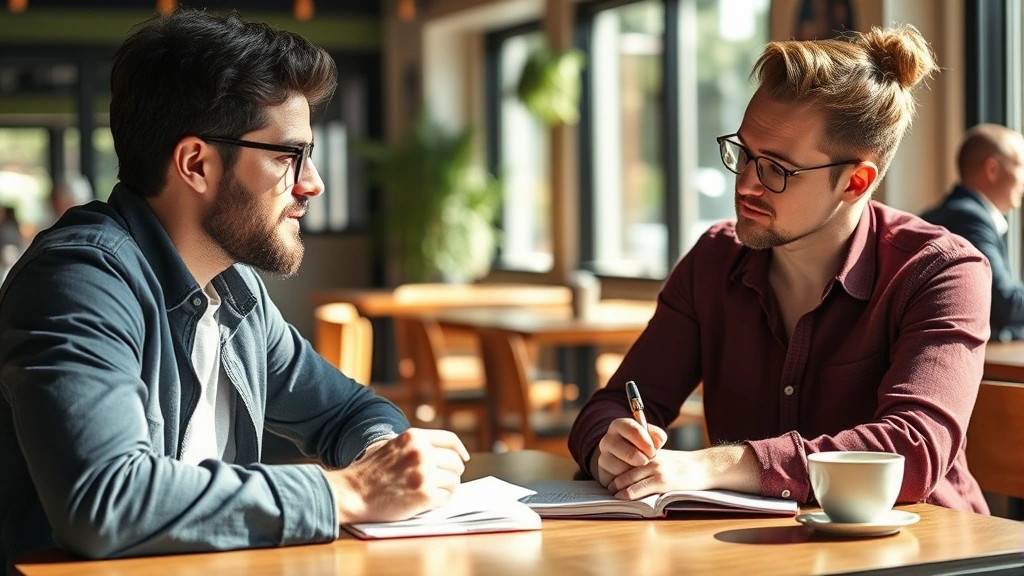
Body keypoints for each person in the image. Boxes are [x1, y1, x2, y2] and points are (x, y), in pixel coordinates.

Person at [0, 9, 469, 572]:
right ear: (196, 163)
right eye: (286, 155)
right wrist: (351, 492)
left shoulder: (234, 291)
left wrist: (381, 459)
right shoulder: (80, 281)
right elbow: (105, 501)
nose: (311, 183)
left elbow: (347, 411)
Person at [569, 24, 993, 515]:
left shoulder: (940, 271)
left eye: (776, 169)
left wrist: (714, 465)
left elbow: (912, 450)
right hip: (763, 552)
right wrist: (611, 446)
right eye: (744, 153)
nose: (746, 184)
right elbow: (613, 404)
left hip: (930, 554)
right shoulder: (714, 258)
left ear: (855, 181)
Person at [920, 124, 1024, 342]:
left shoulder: (952, 212)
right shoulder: (969, 219)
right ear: (992, 170)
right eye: (1021, 165)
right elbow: (1003, 305)